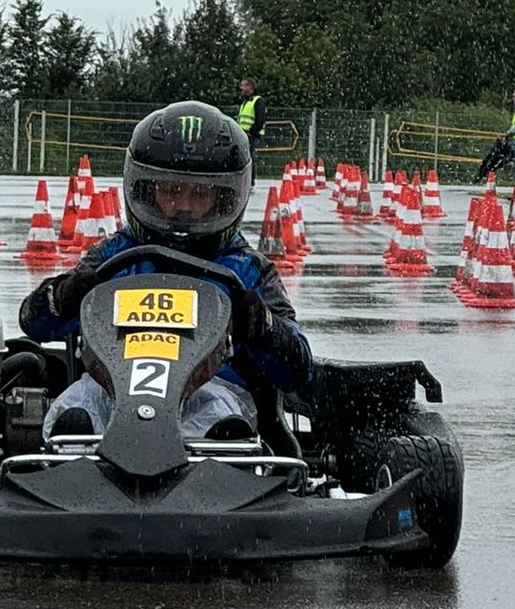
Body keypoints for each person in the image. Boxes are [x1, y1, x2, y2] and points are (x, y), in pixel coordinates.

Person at [21, 100, 312, 440]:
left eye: (200, 194)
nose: (184, 206)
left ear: (225, 198)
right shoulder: (114, 256)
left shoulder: (247, 270)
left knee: (220, 417)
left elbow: (300, 370)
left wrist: (263, 326)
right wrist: (65, 296)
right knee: (77, 408)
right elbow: (33, 322)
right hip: (113, 389)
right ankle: (72, 458)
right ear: (145, 190)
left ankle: (220, 458)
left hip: (211, 391)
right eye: (171, 192)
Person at [236, 78, 267, 179]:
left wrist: (252, 132)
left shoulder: (258, 101)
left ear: (250, 87)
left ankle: (250, 181)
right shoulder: (246, 102)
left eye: (243, 86)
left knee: (248, 158)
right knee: (246, 158)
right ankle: (247, 180)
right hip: (243, 135)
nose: (241, 88)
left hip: (251, 135)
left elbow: (260, 119)